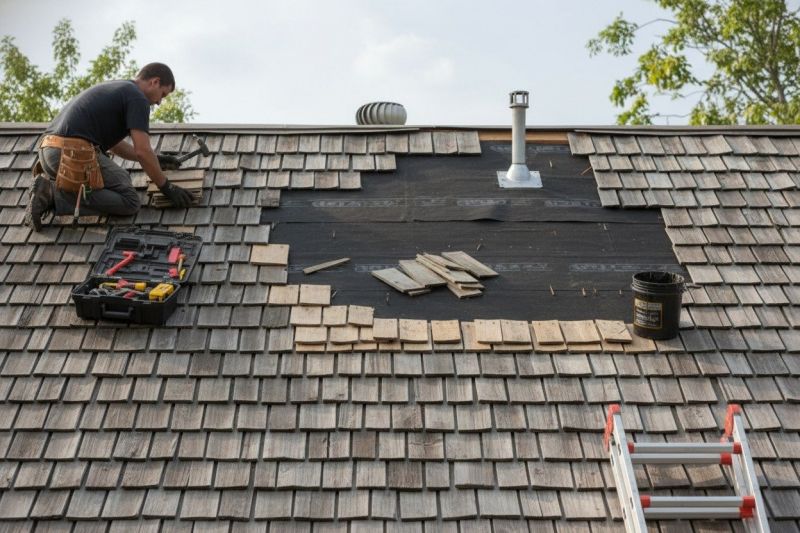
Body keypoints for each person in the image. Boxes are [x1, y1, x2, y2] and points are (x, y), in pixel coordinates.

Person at [24, 62, 193, 231]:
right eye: (162, 95)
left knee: (119, 180)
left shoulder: (120, 88)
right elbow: (142, 150)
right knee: (130, 200)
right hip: (70, 153)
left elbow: (117, 147)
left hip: (47, 152)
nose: (159, 103)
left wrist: (155, 160)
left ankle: (52, 190)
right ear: (155, 82)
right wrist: (166, 187)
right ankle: (52, 194)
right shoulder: (137, 98)